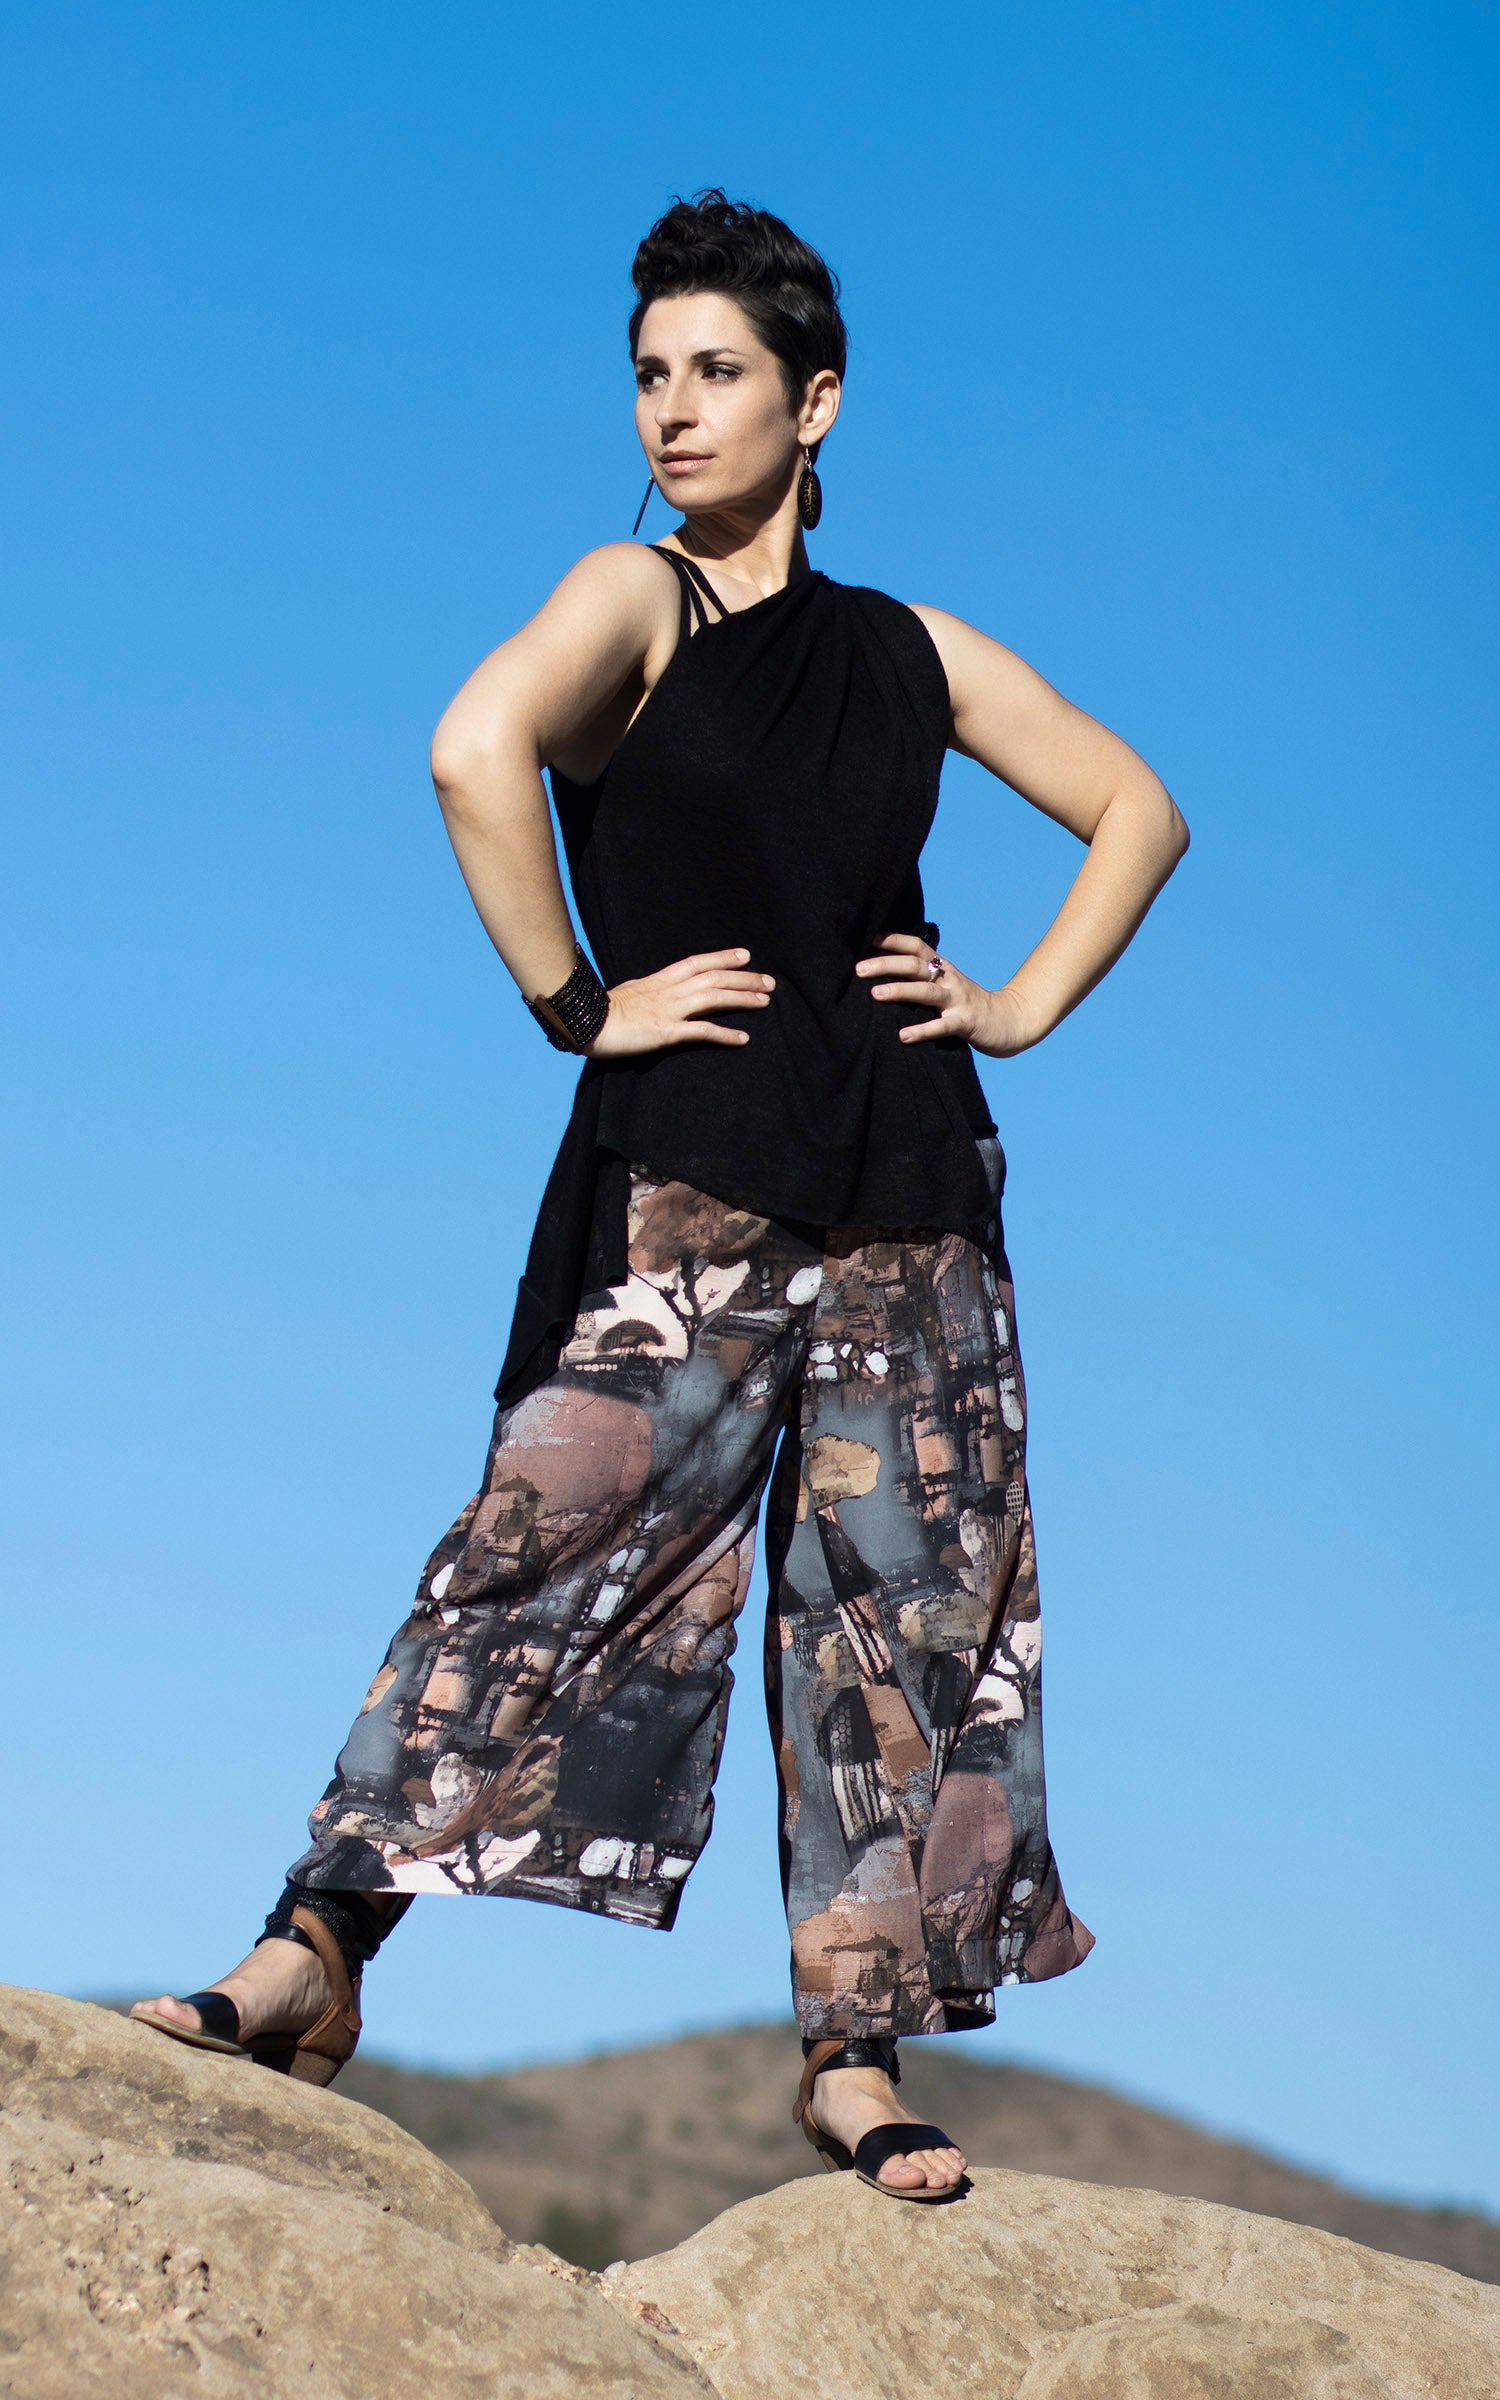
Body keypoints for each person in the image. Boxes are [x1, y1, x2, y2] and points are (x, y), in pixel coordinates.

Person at [133, 190, 1188, 2203]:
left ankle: (850, 2061)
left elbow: (1141, 805)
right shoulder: (640, 603)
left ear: (819, 403)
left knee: (889, 1621)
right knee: (536, 1549)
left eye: (718, 373)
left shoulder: (910, 650)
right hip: (695, 1184)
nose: (674, 411)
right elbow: (473, 750)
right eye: (649, 374)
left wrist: (1018, 1001)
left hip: (906, 1182)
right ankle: (320, 1944)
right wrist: (576, 1010)